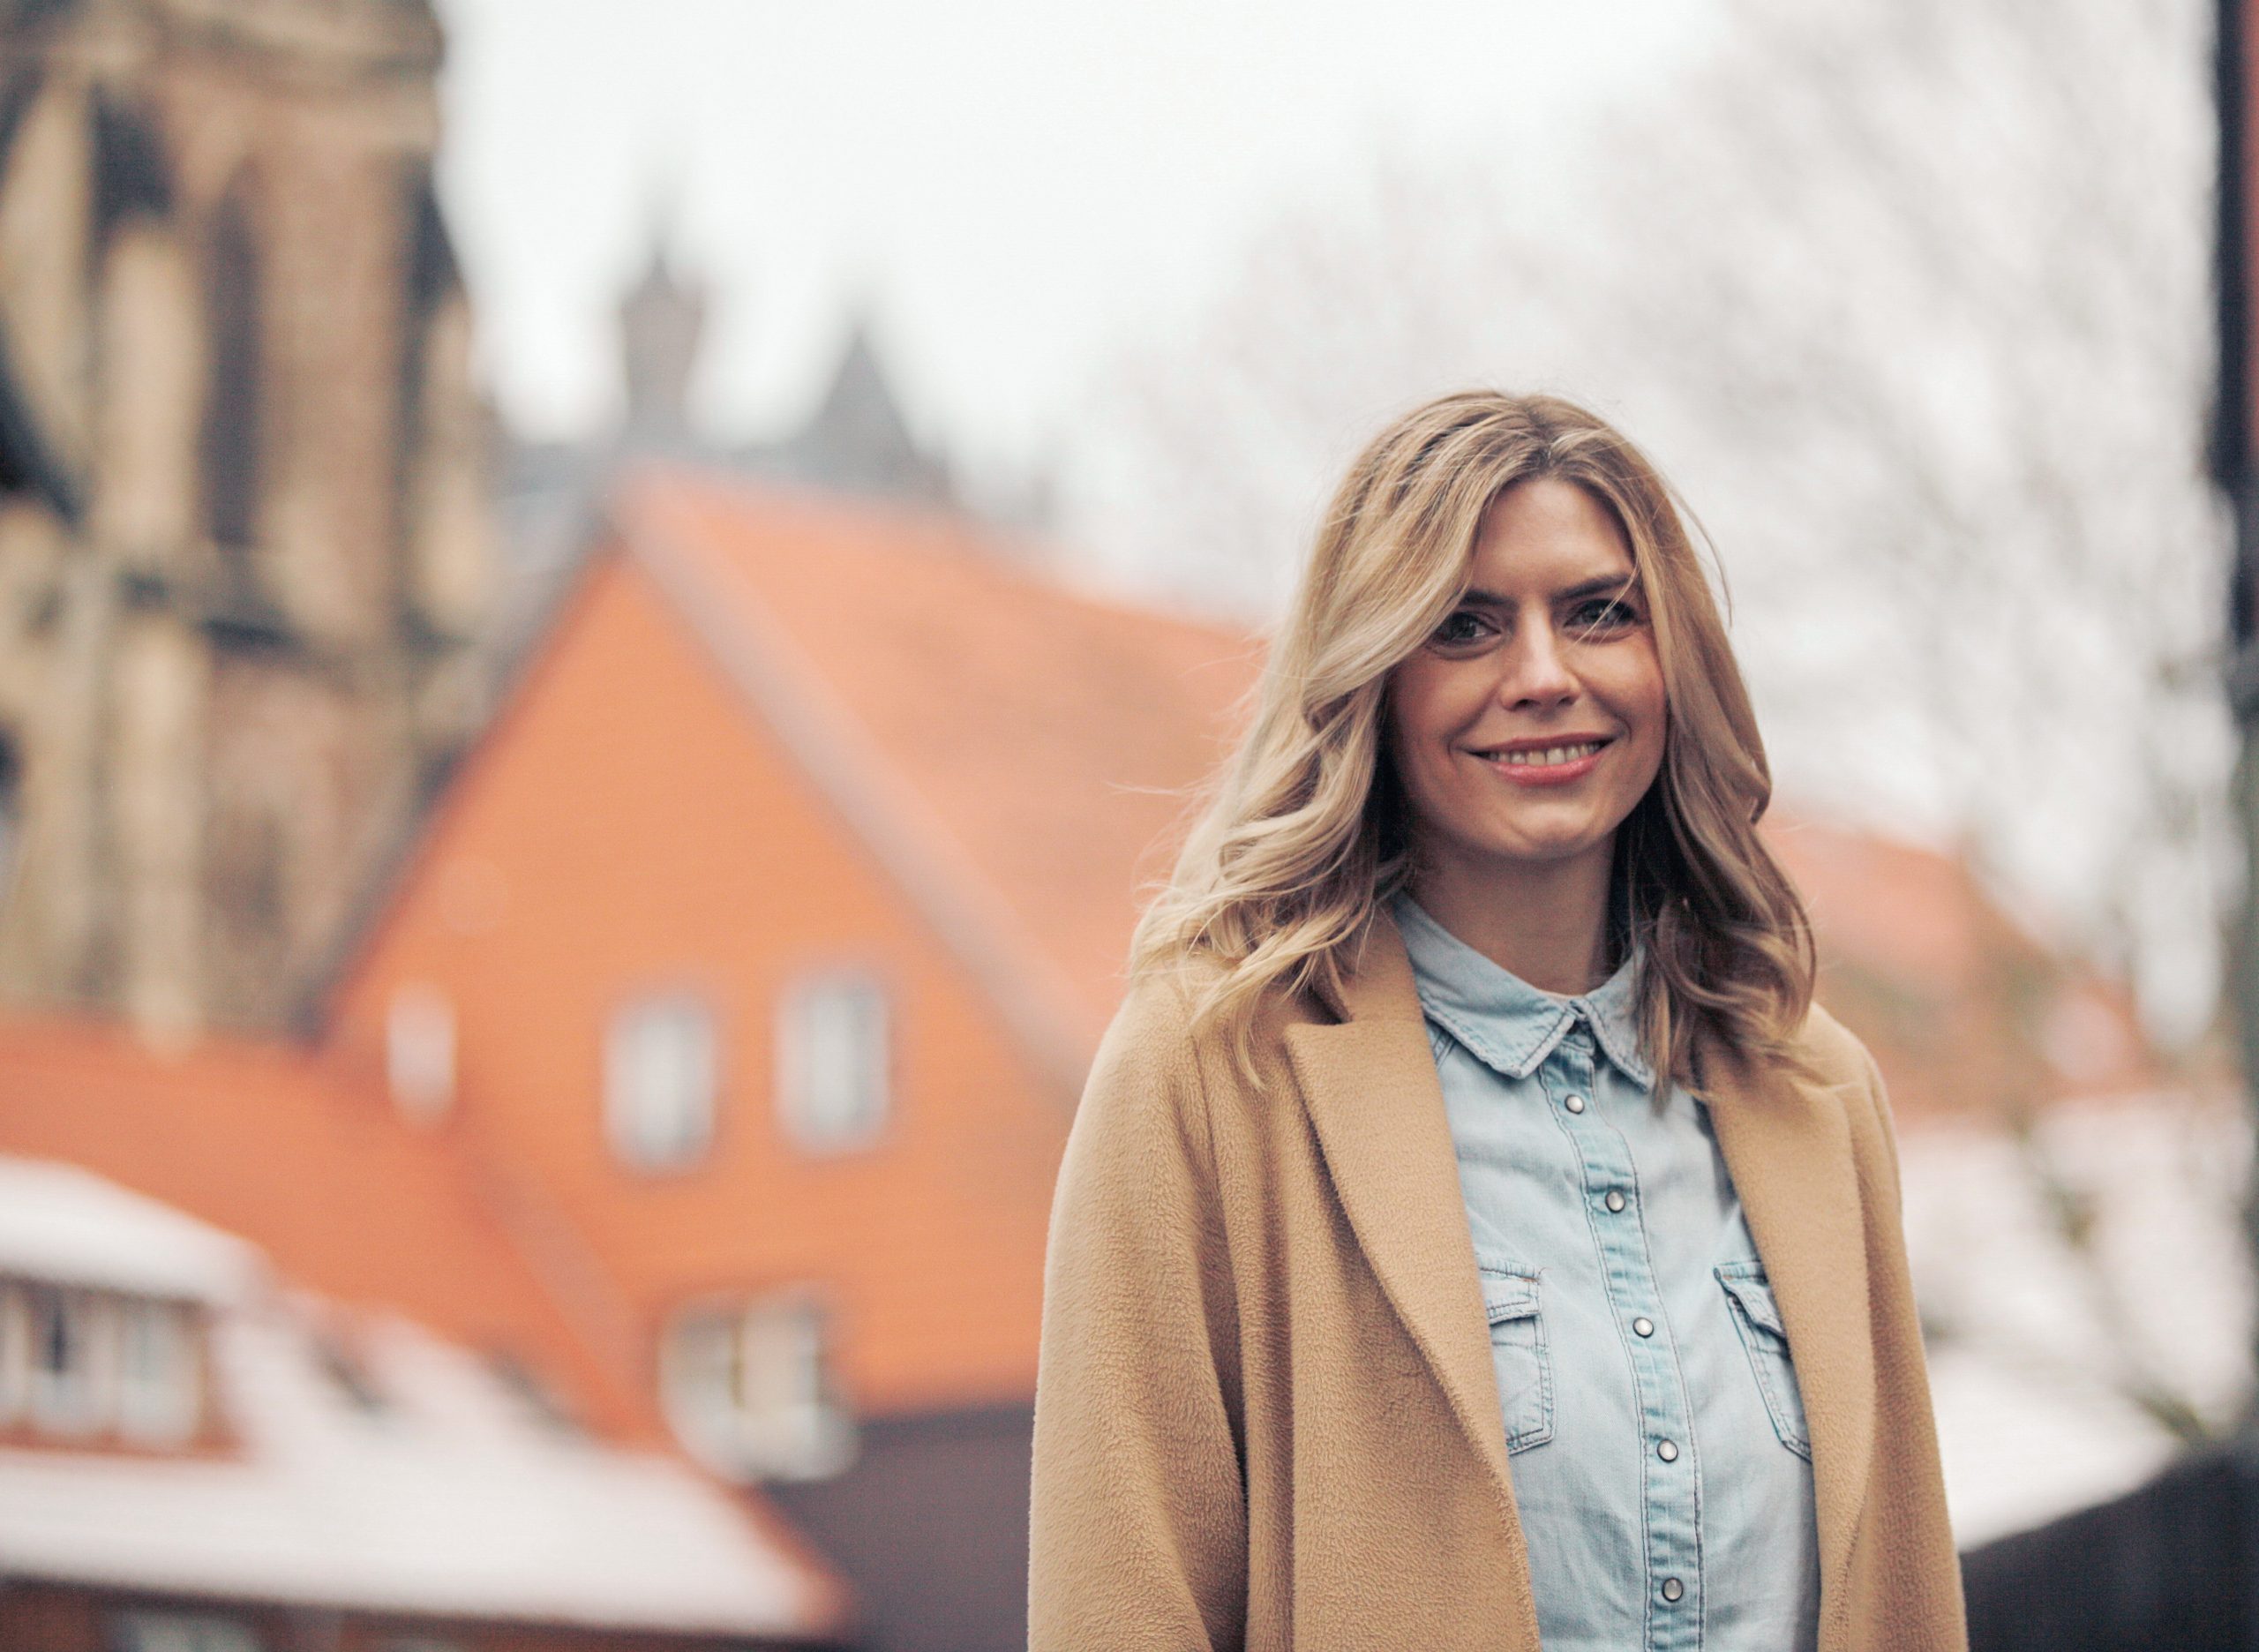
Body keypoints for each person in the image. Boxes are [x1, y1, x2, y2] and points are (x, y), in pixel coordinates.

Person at [1026, 391, 1967, 1651]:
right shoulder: (1212, 1072)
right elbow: (1119, 1609)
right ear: (1373, 677)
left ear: (1669, 656)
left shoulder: (1817, 1095)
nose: (1543, 676)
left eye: (1598, 613)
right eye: (1464, 627)